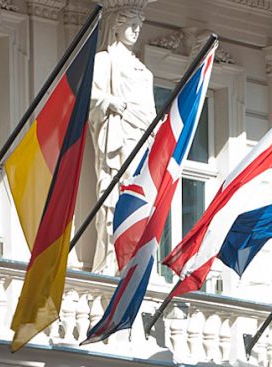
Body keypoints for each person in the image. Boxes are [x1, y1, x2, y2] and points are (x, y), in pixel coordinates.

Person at [84, 6, 155, 272]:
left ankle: (137, 258)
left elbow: (149, 108)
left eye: (139, 24)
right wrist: (110, 101)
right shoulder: (105, 59)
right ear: (116, 25)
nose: (136, 29)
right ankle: (111, 260)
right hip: (118, 132)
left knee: (140, 196)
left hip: (142, 135)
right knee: (114, 192)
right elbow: (88, 93)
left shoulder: (143, 70)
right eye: (130, 23)